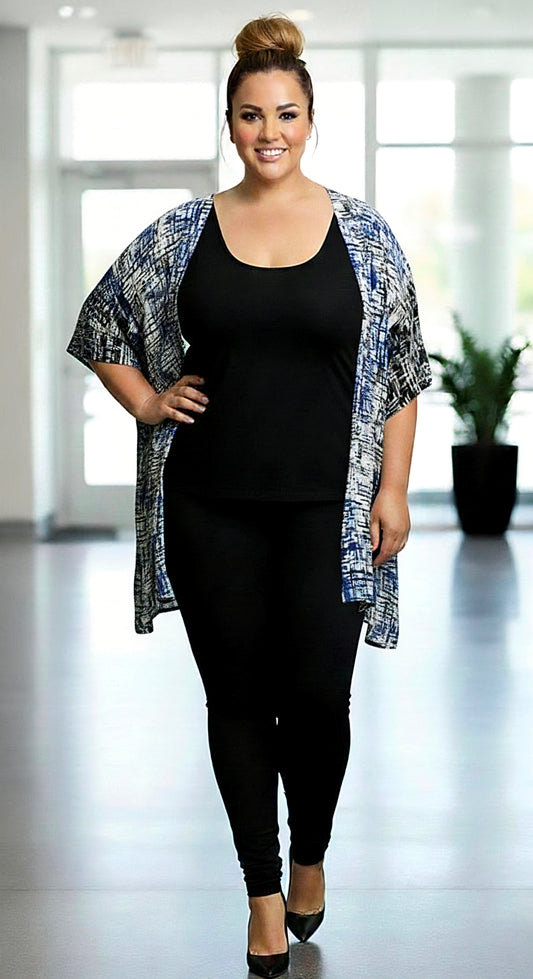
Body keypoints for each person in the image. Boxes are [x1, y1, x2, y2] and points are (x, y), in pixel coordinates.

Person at [67, 14, 431, 978]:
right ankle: (262, 893)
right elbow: (101, 321)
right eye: (250, 115)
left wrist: (393, 489)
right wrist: (148, 398)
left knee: (316, 702)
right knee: (235, 701)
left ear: (311, 120)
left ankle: (309, 851)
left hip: (329, 511)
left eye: (286, 114)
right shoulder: (183, 230)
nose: (269, 131)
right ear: (229, 122)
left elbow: (401, 370)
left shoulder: (365, 235)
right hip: (209, 504)